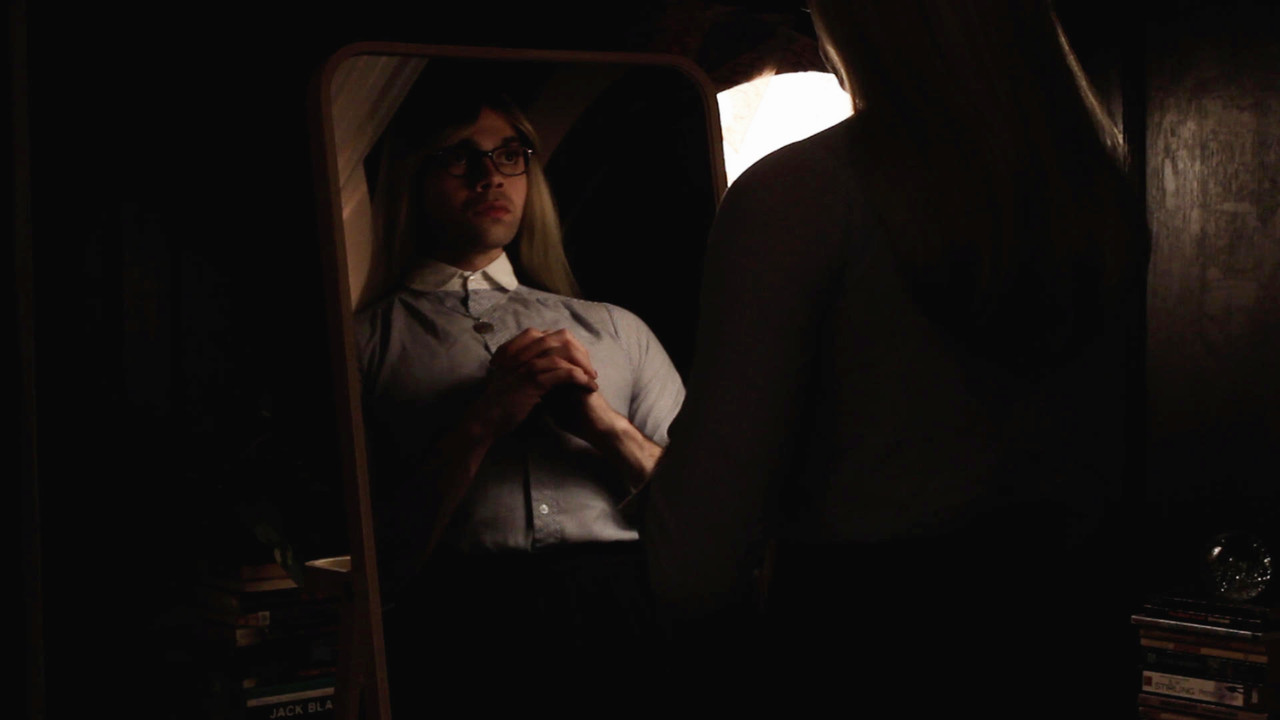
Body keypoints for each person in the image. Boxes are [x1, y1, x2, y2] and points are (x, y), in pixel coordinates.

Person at [643, 0, 1150, 709]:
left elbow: (697, 561)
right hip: (1070, 643)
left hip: (869, 651)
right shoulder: (1099, 196)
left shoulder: (805, 194)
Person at [354, 90, 684, 692]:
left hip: (626, 620)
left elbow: (700, 521)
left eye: (509, 155)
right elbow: (371, 559)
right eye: (459, 156)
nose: (489, 177)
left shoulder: (618, 329)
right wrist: (481, 424)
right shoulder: (364, 344)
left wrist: (603, 425)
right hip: (459, 629)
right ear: (412, 176)